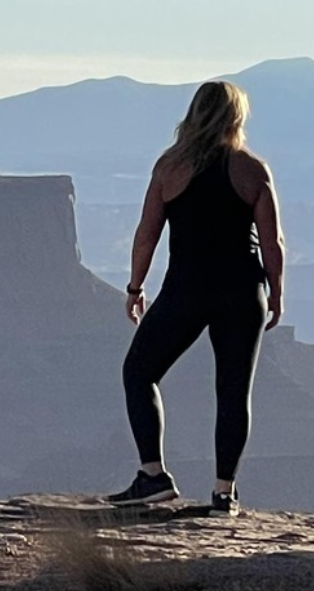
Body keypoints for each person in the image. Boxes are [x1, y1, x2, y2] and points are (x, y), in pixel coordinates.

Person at [105, 80, 285, 516]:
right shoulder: (252, 169)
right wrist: (276, 292)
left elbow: (147, 236)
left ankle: (153, 475)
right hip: (243, 291)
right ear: (235, 118)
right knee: (233, 390)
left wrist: (135, 286)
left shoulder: (170, 167)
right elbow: (272, 240)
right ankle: (225, 494)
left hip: (187, 288)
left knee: (139, 371)